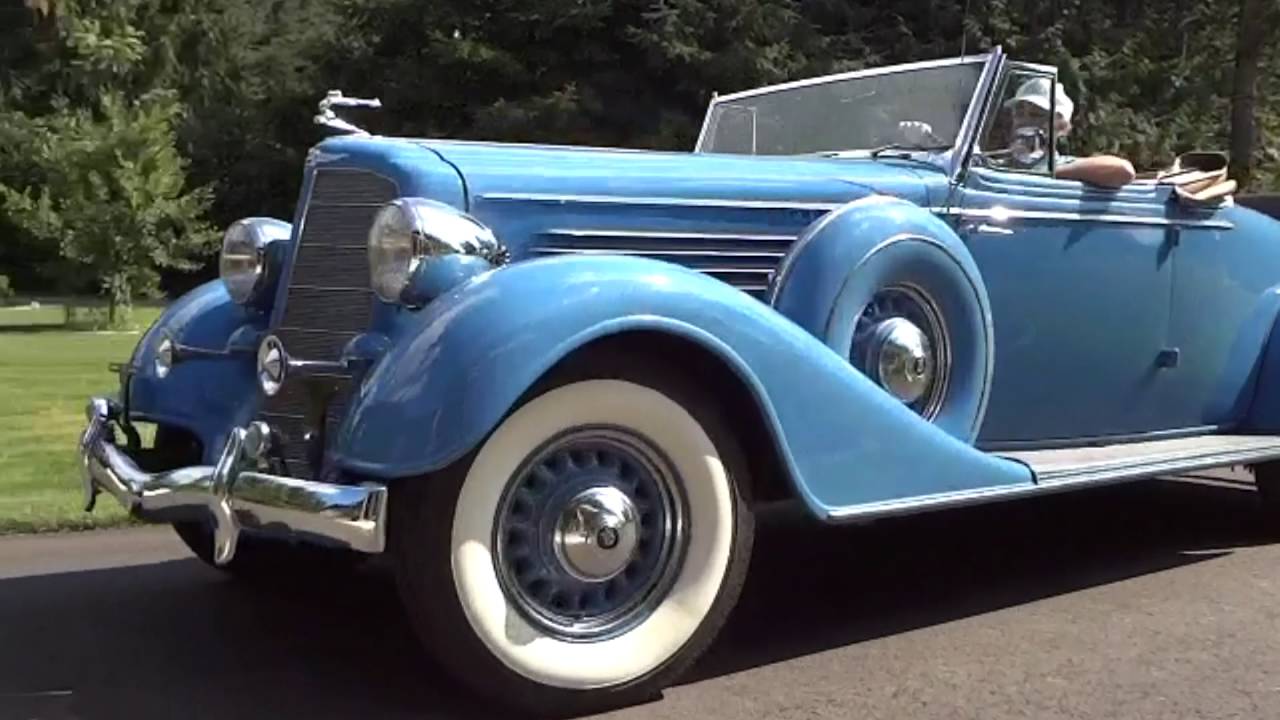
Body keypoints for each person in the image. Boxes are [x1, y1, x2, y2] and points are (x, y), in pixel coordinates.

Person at [1002, 77, 1136, 188]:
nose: (1025, 120)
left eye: (1037, 114)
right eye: (1019, 112)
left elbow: (1123, 171)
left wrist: (1046, 174)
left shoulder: (1065, 165)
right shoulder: (995, 164)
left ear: (1062, 127)